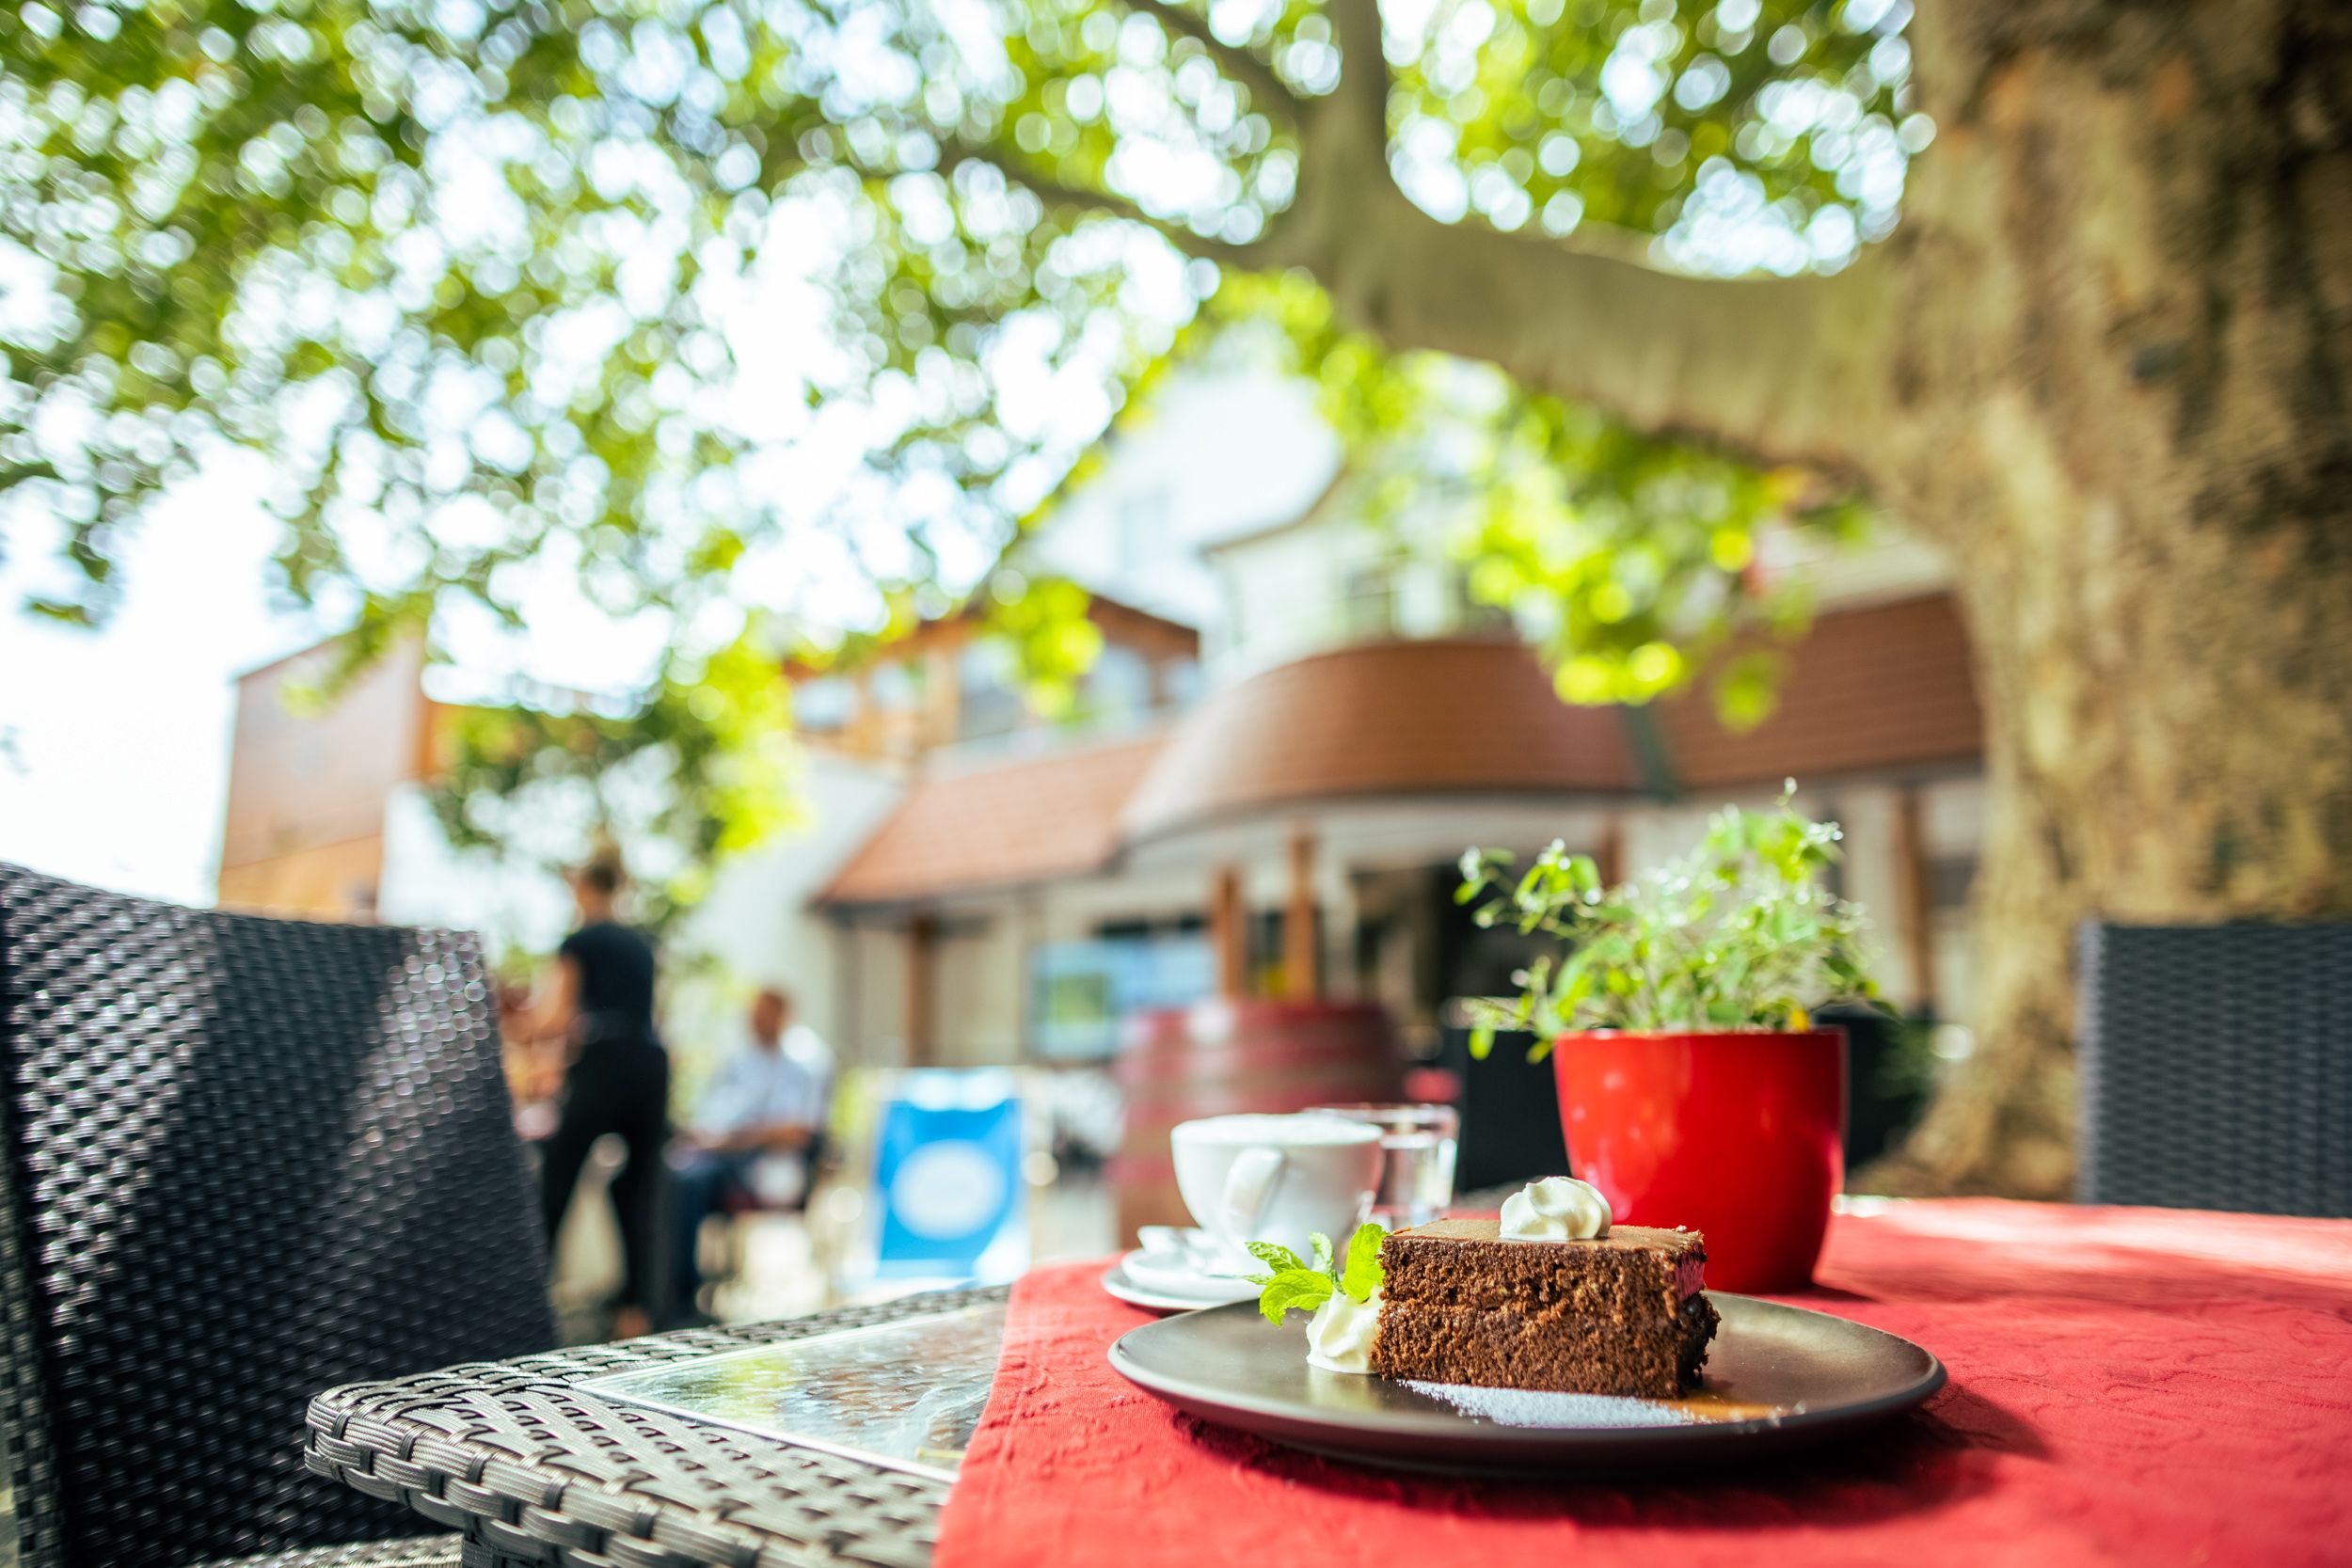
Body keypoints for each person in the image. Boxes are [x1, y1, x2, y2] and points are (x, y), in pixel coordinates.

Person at [518, 850, 670, 1340]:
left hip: (604, 1062)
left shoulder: (581, 941)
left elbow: (555, 1016)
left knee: (558, 1180)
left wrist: (518, 1026)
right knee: (637, 1188)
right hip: (650, 1065)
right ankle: (636, 1314)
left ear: (584, 889)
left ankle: (529, 1303)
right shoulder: (641, 945)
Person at [668, 987, 834, 1318]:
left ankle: (683, 1298)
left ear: (783, 1016)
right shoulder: (740, 1061)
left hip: (766, 1164)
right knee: (669, 1174)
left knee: (690, 1181)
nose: (755, 1023)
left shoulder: (806, 1062)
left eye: (764, 1015)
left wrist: (734, 1139)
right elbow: (714, 1114)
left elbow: (795, 1132)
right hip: (719, 1153)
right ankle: (656, 1292)